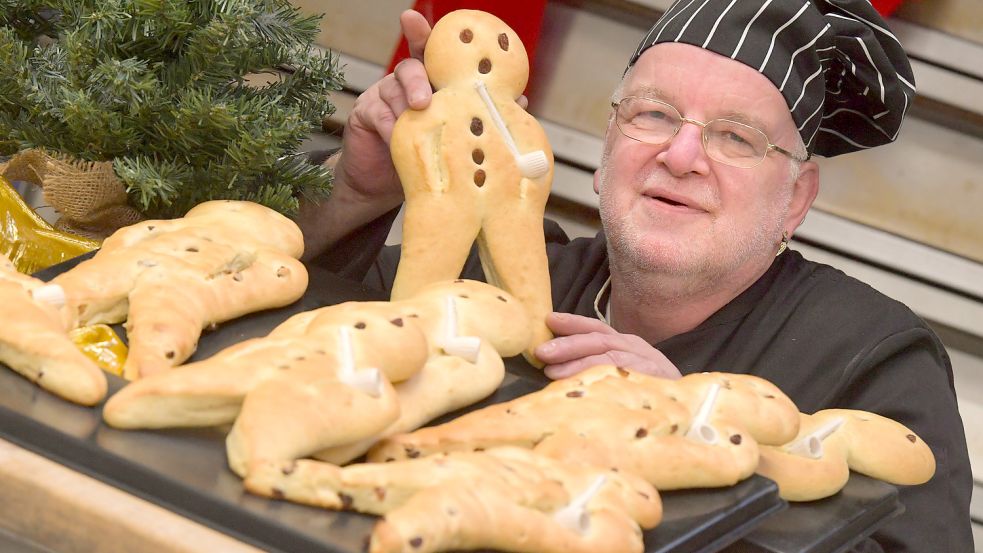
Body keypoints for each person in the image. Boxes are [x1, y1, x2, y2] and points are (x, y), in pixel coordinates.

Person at [298, 1, 974, 551]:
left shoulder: (873, 360)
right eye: (653, 115)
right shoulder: (504, 274)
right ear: (603, 153)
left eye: (735, 137)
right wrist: (355, 192)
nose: (681, 155)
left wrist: (695, 430)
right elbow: (272, 349)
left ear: (794, 199)